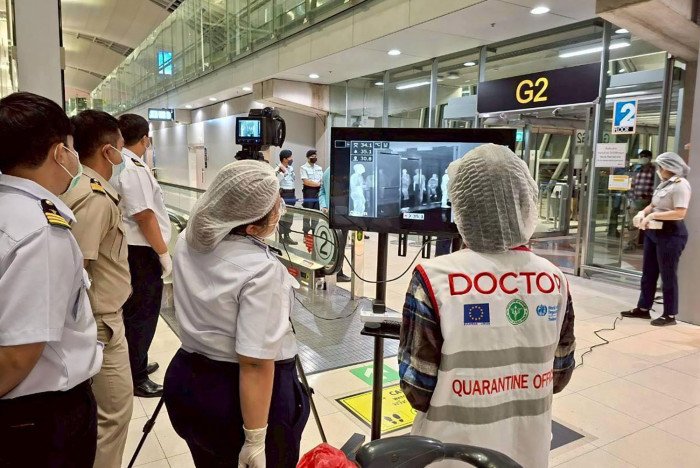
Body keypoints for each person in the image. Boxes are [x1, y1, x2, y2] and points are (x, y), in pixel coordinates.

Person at [399, 144, 576, 468]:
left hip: (452, 454)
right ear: (525, 203)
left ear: (461, 206)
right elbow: (559, 376)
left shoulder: (434, 279)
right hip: (528, 451)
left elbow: (416, 388)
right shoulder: (554, 279)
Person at [164, 161, 310, 467]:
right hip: (241, 398)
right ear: (252, 227)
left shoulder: (189, 239)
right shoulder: (261, 270)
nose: (280, 209)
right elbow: (255, 362)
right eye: (275, 207)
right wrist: (255, 440)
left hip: (189, 379)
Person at [0, 92, 103, 467]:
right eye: (72, 148)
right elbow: (17, 355)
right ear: (60, 153)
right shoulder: (42, 231)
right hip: (39, 416)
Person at [60, 110, 134, 467]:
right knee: (113, 416)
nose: (124, 154)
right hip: (101, 324)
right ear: (108, 151)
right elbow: (77, 271)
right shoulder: (94, 198)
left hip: (99, 321)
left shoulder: (84, 188)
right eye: (121, 146)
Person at [112, 113, 171, 397]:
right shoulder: (132, 168)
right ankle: (136, 376)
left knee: (135, 312)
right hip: (141, 252)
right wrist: (163, 253)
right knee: (143, 314)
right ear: (145, 139)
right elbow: (144, 215)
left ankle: (137, 362)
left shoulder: (119, 162)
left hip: (132, 249)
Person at [623, 152, 691, 326]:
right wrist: (643, 213)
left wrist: (653, 216)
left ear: (668, 167)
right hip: (653, 232)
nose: (658, 170)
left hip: (671, 233)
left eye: (660, 167)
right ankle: (643, 308)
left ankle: (670, 314)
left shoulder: (680, 185)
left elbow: (680, 213)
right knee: (649, 272)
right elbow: (653, 205)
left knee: (668, 275)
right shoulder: (664, 184)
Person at [319, 167, 351, 283]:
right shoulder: (330, 171)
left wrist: (324, 206)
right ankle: (336, 272)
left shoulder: (328, 170)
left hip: (339, 212)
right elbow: (322, 191)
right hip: (338, 213)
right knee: (339, 243)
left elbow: (321, 191)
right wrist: (324, 206)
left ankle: (334, 271)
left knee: (337, 243)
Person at [626, 150, 655, 249]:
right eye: (641, 156)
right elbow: (632, 185)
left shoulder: (654, 170)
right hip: (635, 200)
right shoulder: (636, 169)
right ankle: (632, 243)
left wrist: (650, 197)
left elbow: (655, 186)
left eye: (645, 156)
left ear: (650, 158)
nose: (643, 158)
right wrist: (630, 198)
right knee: (633, 222)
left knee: (647, 223)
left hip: (648, 201)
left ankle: (646, 243)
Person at [276, 149, 297, 245]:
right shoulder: (278, 169)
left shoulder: (291, 168)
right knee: (283, 216)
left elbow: (293, 179)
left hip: (292, 193)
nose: (292, 159)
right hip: (284, 193)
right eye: (290, 157)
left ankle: (287, 236)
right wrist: (282, 172)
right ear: (284, 159)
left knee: (290, 216)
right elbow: (276, 181)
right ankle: (280, 237)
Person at [300, 149, 323, 234]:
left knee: (316, 213)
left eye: (315, 156)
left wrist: (319, 185)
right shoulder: (303, 167)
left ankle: (315, 232)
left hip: (318, 192)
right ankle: (305, 233)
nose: (314, 157)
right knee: (307, 213)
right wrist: (318, 184)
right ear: (308, 157)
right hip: (308, 191)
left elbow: (321, 179)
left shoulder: (319, 168)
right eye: (312, 156)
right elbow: (306, 181)